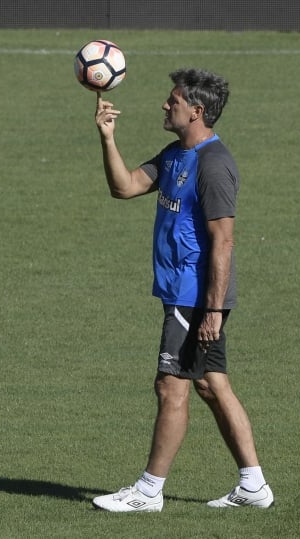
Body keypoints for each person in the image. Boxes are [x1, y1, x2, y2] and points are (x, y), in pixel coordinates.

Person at [91, 68, 274, 512]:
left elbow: (224, 241)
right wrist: (107, 137)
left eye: (172, 100)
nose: (164, 105)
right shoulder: (175, 155)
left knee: (170, 387)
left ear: (197, 110)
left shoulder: (214, 165)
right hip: (182, 292)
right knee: (211, 386)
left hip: (195, 297)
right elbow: (125, 187)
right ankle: (253, 486)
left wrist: (212, 311)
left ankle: (148, 491)